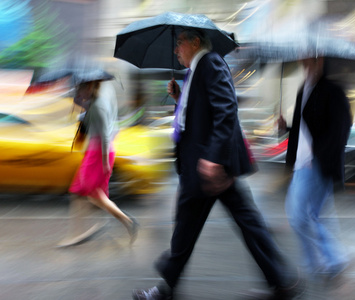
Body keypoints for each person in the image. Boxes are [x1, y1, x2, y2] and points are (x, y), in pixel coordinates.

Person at [132, 29, 302, 300]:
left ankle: (165, 290)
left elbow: (226, 108)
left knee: (195, 228)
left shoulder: (210, 63)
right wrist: (179, 97)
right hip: (203, 164)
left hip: (208, 165)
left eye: (179, 43)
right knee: (238, 223)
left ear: (195, 42)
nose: (176, 50)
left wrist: (212, 158)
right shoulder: (196, 70)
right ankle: (281, 282)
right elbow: (203, 112)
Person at [278, 56, 352, 282]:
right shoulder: (304, 89)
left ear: (320, 62)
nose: (305, 66)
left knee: (301, 215)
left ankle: (327, 259)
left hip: (316, 164)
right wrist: (285, 127)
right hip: (302, 163)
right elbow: (304, 127)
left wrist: (321, 156)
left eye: (310, 62)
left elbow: (342, 126)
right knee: (312, 215)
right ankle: (328, 260)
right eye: (303, 62)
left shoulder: (332, 90)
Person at [57, 78, 139, 247]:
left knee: (85, 193)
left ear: (89, 87)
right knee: (88, 194)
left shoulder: (99, 105)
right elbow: (90, 122)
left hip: (98, 154)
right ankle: (125, 222)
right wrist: (78, 103)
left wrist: (104, 163)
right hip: (95, 153)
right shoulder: (93, 102)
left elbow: (105, 135)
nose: (78, 93)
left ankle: (79, 233)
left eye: (80, 89)